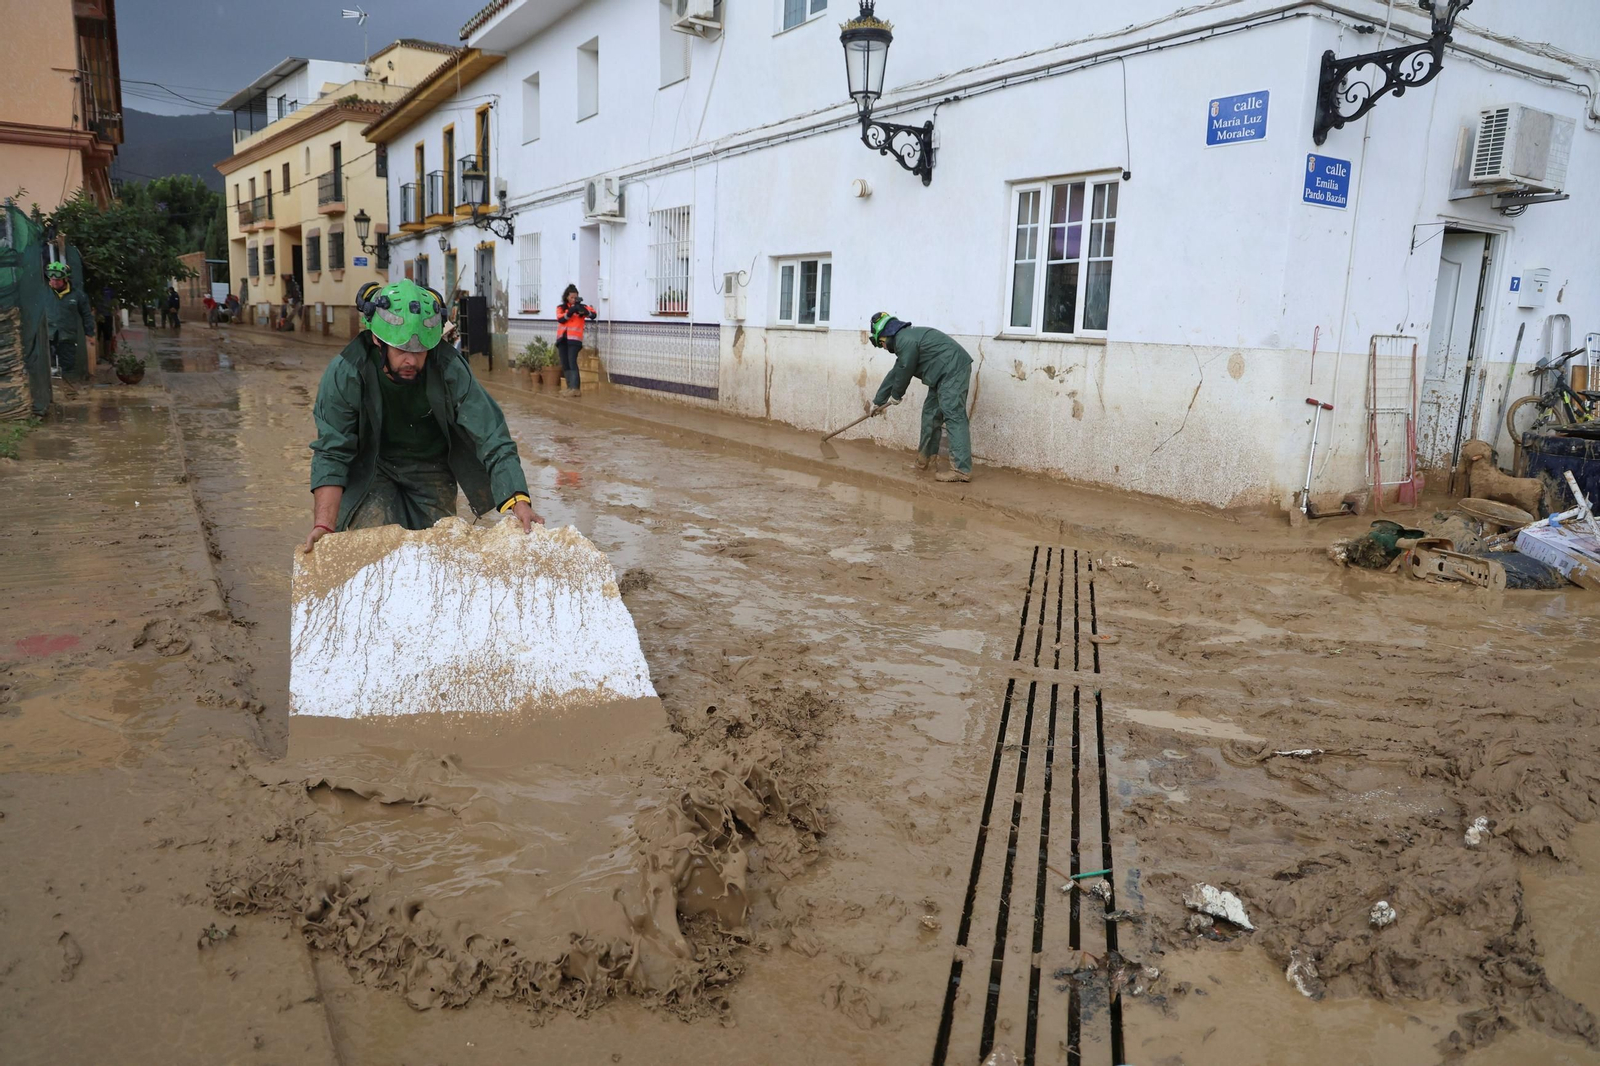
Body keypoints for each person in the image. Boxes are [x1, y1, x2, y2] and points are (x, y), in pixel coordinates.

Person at [302, 278, 542, 553]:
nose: (411, 361)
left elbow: (491, 433)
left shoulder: (449, 367)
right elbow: (332, 452)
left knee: (437, 551)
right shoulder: (347, 372)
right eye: (402, 350)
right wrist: (323, 526)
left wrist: (519, 501)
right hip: (371, 467)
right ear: (378, 341)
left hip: (431, 467)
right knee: (376, 550)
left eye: (420, 351)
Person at [868, 311, 975, 483]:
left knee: (954, 415)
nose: (884, 348)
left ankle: (962, 470)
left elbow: (904, 370)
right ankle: (925, 461)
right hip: (941, 375)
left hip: (953, 370)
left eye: (881, 343)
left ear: (886, 336)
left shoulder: (905, 341)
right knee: (930, 415)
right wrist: (877, 401)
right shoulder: (906, 339)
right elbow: (895, 373)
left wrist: (896, 395)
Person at [43, 261, 94, 381]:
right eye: (52, 279)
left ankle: (68, 389)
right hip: (49, 334)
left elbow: (86, 315)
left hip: (67, 335)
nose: (54, 282)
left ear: (65, 279)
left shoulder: (77, 295)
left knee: (67, 365)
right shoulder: (44, 293)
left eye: (58, 280)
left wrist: (89, 333)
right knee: (47, 363)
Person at [554, 284, 596, 396]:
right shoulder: (561, 308)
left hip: (574, 340)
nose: (573, 299)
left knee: (572, 361)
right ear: (567, 297)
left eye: (575, 297)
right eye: (572, 297)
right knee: (565, 363)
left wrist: (584, 312)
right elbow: (561, 319)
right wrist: (571, 311)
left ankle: (575, 388)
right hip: (562, 339)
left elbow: (593, 315)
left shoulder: (582, 307)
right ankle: (569, 387)